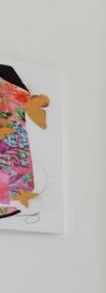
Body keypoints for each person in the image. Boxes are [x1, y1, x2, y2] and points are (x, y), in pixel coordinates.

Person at [0, 64, 49, 220]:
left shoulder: (7, 74)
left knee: (11, 169)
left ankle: (6, 203)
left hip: (12, 136)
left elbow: (23, 96)